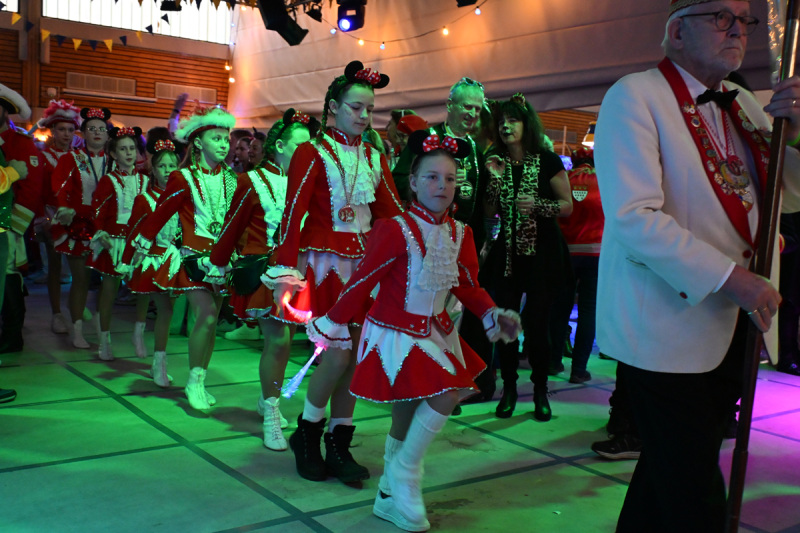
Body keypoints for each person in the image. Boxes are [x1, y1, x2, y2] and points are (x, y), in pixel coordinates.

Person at [594, 1, 800, 530]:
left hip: (733, 325)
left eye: (744, 19)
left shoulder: (744, 103)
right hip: (663, 328)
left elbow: (791, 194)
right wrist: (734, 279)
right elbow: (634, 217)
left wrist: (797, 134)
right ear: (677, 31)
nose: (738, 31)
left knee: (668, 476)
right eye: (721, 17)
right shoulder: (634, 96)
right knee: (693, 490)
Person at [307, 130, 521, 532]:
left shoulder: (461, 233)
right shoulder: (394, 228)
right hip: (395, 331)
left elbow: (467, 284)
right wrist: (333, 321)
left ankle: (389, 492)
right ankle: (406, 473)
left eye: (450, 178)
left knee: (408, 411)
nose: (442, 185)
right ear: (414, 183)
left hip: (438, 332)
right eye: (432, 177)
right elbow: (363, 280)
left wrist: (491, 312)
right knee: (446, 393)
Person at [263, 60, 402, 484]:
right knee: (337, 354)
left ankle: (339, 443)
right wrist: (284, 271)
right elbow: (293, 213)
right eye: (355, 107)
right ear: (333, 108)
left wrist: (419, 246)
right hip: (326, 266)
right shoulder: (311, 152)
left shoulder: (374, 156)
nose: (364, 116)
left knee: (356, 357)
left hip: (364, 269)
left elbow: (391, 213)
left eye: (369, 109)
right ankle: (307, 434)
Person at [208, 109, 317, 451]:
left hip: (300, 272)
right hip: (265, 273)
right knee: (279, 341)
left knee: (286, 341)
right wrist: (217, 265)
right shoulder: (251, 181)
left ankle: (267, 397)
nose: (307, 153)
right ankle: (271, 410)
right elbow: (232, 227)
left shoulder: (310, 185)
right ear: (279, 146)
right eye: (300, 146)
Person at [129, 105, 237, 411]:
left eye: (226, 139)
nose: (223, 144)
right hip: (192, 257)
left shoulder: (231, 178)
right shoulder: (182, 176)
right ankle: (193, 381)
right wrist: (138, 248)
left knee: (211, 321)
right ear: (198, 142)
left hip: (223, 258)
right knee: (206, 315)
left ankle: (200, 380)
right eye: (216, 138)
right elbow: (161, 213)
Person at [483, 94, 573, 421]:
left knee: (537, 327)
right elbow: (489, 212)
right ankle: (508, 388)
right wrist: (494, 182)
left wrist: (538, 205)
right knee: (506, 325)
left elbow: (567, 205)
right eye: (501, 122)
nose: (506, 126)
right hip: (506, 256)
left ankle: (539, 390)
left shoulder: (547, 159)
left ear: (527, 124)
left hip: (542, 256)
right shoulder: (495, 160)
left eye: (513, 120)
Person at [52, 107, 112, 349]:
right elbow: (60, 187)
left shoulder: (114, 161)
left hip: (106, 226)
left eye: (101, 129)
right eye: (92, 129)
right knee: (81, 279)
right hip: (79, 224)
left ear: (107, 135)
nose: (97, 132)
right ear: (83, 133)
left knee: (108, 282)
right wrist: (64, 208)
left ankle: (102, 328)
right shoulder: (71, 159)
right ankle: (77, 329)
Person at [87, 126, 149, 360]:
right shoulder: (108, 180)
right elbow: (98, 210)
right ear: (113, 154)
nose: (129, 153)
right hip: (113, 243)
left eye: (132, 148)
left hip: (138, 243)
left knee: (144, 290)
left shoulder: (145, 180)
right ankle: (104, 341)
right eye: (123, 149)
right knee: (109, 292)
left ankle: (138, 335)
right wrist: (100, 232)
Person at [550, 147, 603, 383]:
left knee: (560, 308)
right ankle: (579, 369)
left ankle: (554, 361)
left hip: (566, 253)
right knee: (588, 311)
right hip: (596, 253)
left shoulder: (566, 179)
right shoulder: (604, 180)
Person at [0, 84, 46, 354]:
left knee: (8, 274)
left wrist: (15, 226)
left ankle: (12, 334)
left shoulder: (20, 142)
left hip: (5, 225)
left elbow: (31, 189)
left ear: (6, 110)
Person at [34, 99, 82, 335]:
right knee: (54, 267)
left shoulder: (80, 158)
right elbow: (38, 191)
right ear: (52, 130)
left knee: (78, 268)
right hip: (51, 217)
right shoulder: (43, 158)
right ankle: (56, 314)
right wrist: (40, 220)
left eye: (71, 130)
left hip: (77, 219)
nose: (66, 134)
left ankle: (77, 307)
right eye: (62, 129)